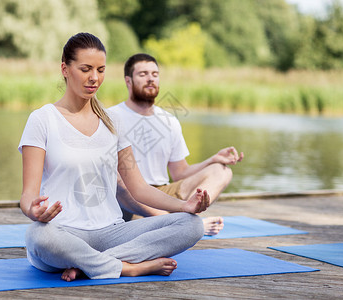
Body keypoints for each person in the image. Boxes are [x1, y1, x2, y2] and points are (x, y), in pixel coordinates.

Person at [18, 33, 209, 282]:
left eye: (100, 70)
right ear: (65, 69)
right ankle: (127, 267)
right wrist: (34, 212)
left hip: (112, 232)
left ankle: (89, 265)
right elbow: (27, 196)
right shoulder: (42, 119)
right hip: (63, 232)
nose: (94, 78)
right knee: (38, 236)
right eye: (85, 69)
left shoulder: (113, 122)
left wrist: (184, 207)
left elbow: (138, 188)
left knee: (192, 225)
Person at [107, 53, 244, 235]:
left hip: (163, 194)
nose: (150, 79)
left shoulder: (169, 121)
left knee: (222, 170)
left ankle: (180, 220)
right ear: (128, 81)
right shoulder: (111, 117)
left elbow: (180, 173)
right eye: (143, 74)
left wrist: (213, 159)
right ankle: (178, 225)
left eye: (155, 74)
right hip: (129, 198)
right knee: (118, 182)